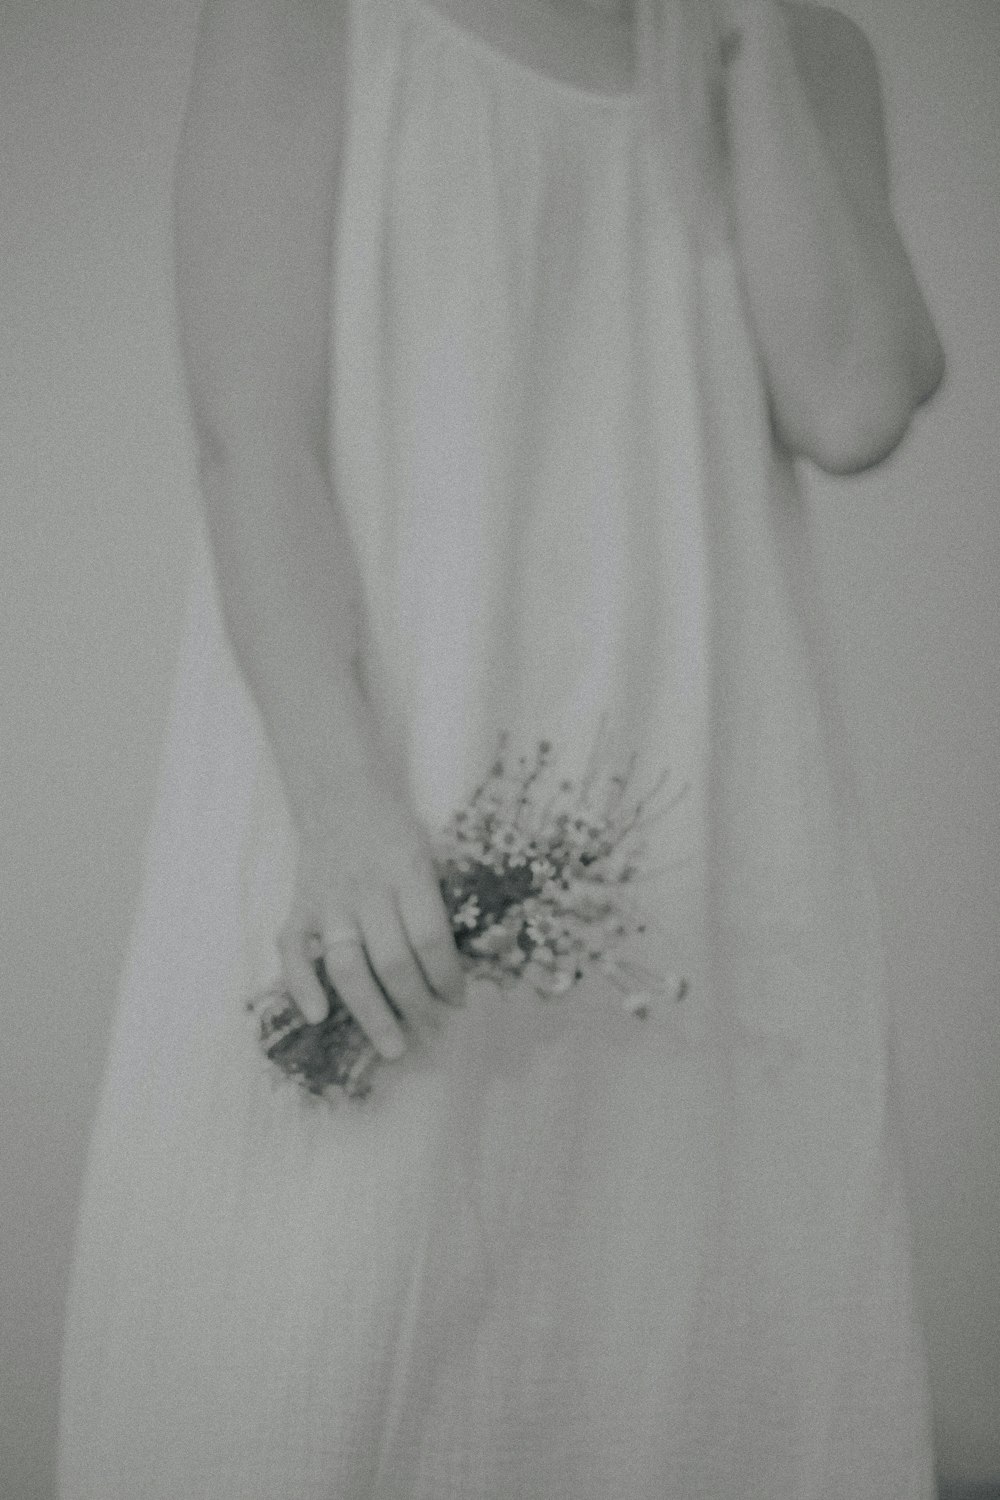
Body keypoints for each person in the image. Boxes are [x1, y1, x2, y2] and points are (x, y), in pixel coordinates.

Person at [59, 0, 945, 1494]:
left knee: (671, 1361)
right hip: (360, 782)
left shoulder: (808, 50)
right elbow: (251, 438)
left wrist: (741, 41)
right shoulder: (310, 20)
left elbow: (853, 397)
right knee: (299, 1366)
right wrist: (342, 814)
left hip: (699, 819)